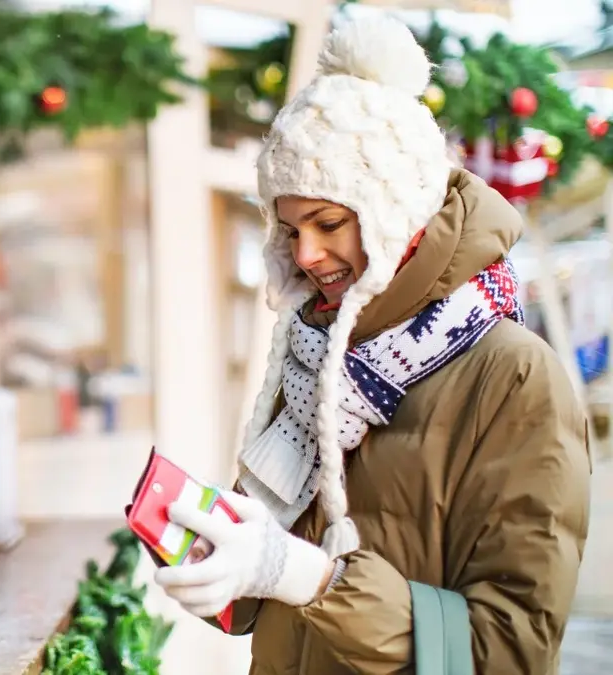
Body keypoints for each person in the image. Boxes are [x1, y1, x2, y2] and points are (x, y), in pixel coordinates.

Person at [152, 15, 592, 674]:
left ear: (396, 215)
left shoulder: (516, 377)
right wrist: (228, 562)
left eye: (329, 223)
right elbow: (269, 601)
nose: (306, 254)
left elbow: (511, 649)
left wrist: (316, 580)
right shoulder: (313, 358)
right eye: (290, 226)